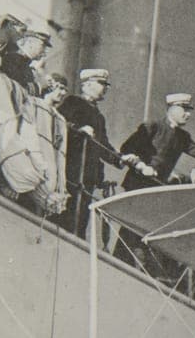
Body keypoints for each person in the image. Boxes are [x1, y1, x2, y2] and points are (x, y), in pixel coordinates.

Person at [115, 92, 195, 274]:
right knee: (132, 226)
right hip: (138, 184)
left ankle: (130, 264)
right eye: (184, 109)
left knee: (142, 228)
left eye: (189, 110)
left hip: (155, 189)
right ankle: (122, 262)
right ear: (171, 108)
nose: (188, 114)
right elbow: (127, 149)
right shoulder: (153, 126)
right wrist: (142, 166)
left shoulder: (182, 137)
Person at [57, 69, 143, 238]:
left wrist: (120, 159)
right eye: (101, 83)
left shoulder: (98, 116)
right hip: (70, 173)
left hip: (87, 178)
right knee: (65, 219)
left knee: (80, 223)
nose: (105, 88)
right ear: (87, 84)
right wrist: (78, 130)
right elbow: (58, 124)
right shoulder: (73, 102)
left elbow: (102, 145)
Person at [0, 20, 50, 95]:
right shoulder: (12, 59)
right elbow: (13, 89)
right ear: (29, 42)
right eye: (42, 46)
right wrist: (40, 86)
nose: (45, 52)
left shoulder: (25, 64)